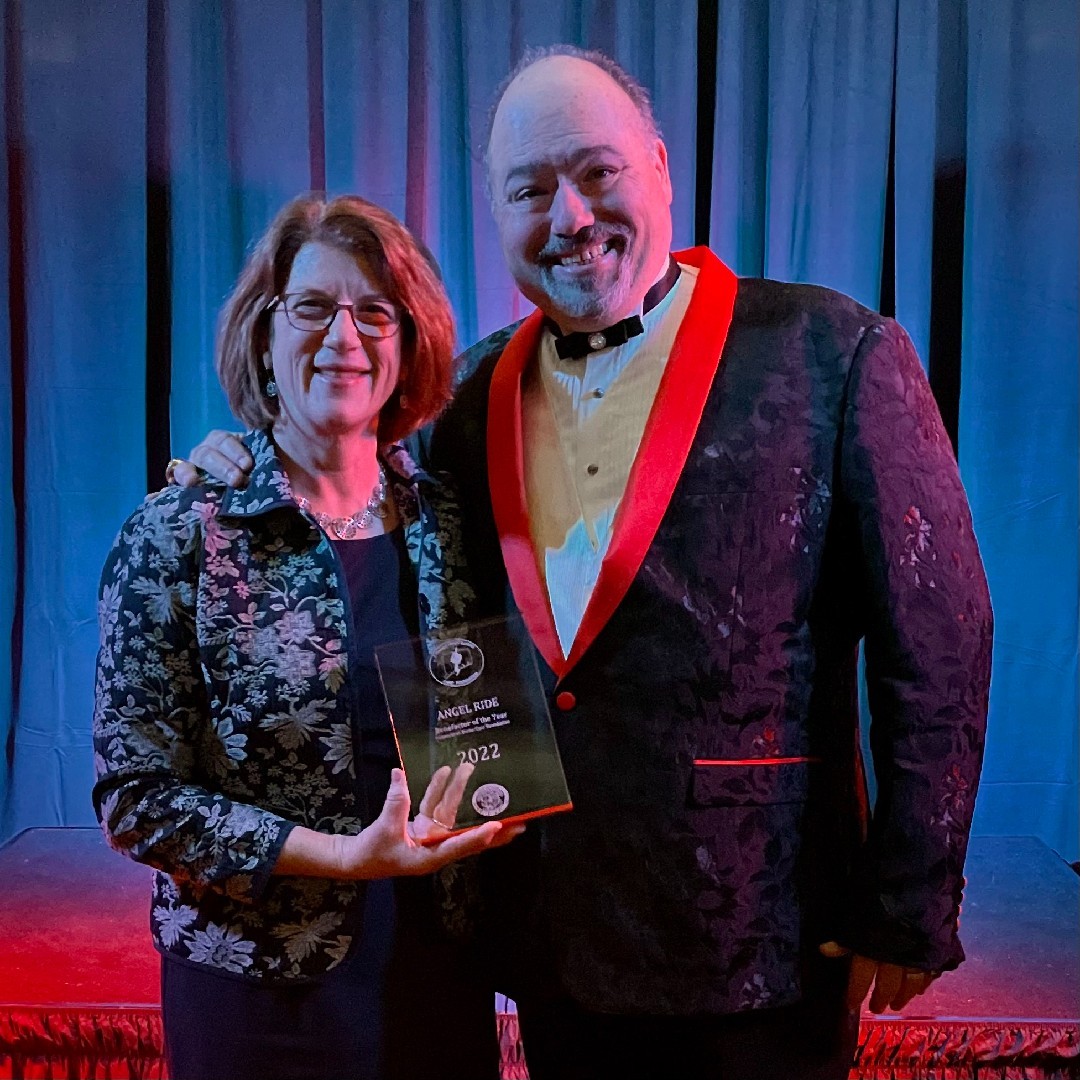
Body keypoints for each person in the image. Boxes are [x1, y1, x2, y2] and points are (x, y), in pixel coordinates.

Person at [174, 47, 993, 1080]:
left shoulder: (832, 350)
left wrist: (911, 899)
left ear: (658, 166)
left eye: (598, 172)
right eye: (531, 189)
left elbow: (943, 635)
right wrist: (237, 464)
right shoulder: (463, 397)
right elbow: (355, 503)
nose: (569, 216)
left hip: (758, 939)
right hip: (551, 935)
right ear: (497, 210)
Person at [92, 194, 523, 1080]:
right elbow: (135, 795)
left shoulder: (452, 523)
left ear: (409, 346)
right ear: (263, 333)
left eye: (375, 311)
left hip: (436, 975)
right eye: (314, 307)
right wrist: (344, 861)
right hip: (257, 992)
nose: (345, 337)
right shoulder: (183, 529)